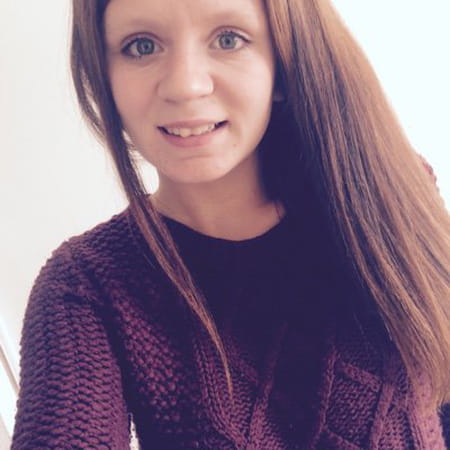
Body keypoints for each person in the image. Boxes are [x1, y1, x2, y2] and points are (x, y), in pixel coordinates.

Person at [11, 0, 450, 448]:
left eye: (228, 39)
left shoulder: (386, 198)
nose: (185, 86)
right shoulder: (85, 287)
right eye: (141, 46)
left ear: (283, 62)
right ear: (103, 76)